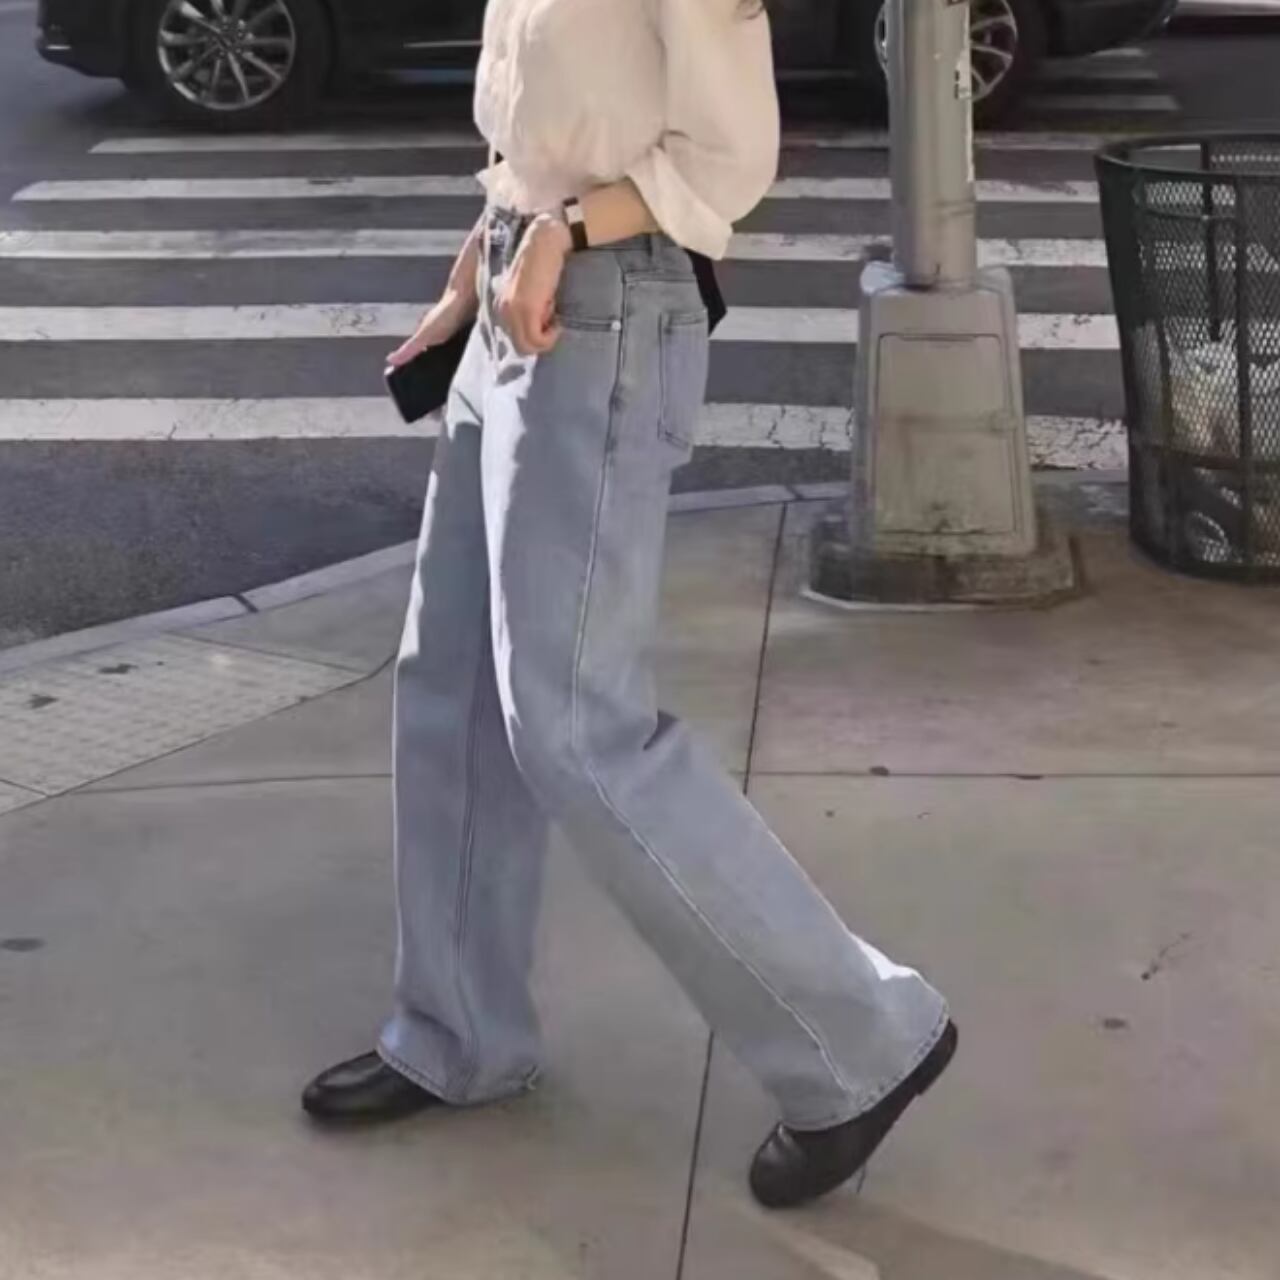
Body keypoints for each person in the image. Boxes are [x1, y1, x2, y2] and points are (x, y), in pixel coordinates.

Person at [301, 0, 955, 1210]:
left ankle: (861, 1037)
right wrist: (479, 259)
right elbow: (549, 125)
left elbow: (728, 156)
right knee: (451, 686)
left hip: (605, 308)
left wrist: (560, 229)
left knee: (573, 723)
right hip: (519, 294)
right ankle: (456, 1032)